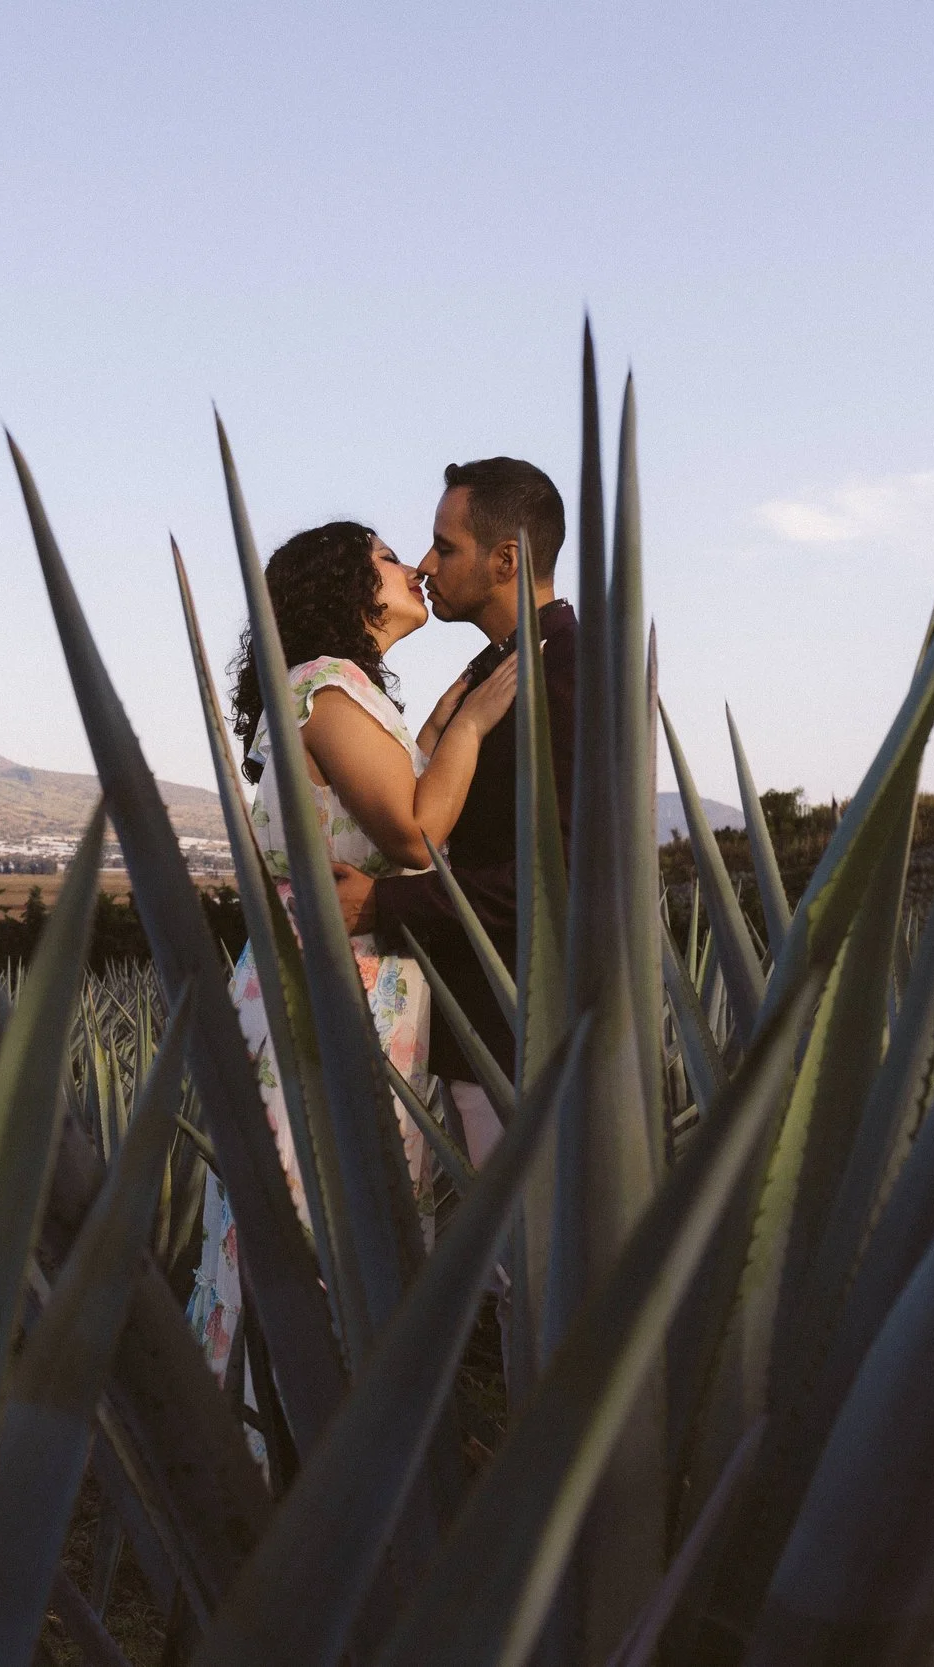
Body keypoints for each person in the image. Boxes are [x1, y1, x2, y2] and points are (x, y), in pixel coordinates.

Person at [185, 520, 522, 1383]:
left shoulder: (344, 694)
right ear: (342, 589)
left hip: (361, 986)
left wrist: (452, 704)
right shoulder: (324, 685)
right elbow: (414, 833)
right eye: (381, 555)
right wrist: (477, 723)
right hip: (328, 995)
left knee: (346, 1209)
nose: (409, 562)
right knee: (317, 1215)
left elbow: (398, 780)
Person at [334, 456, 576, 1156]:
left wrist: (385, 906)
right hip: (470, 1032)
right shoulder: (492, 671)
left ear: (506, 559)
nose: (426, 563)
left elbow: (557, 873)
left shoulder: (566, 671)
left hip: (520, 1040)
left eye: (446, 545)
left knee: (520, 1260)